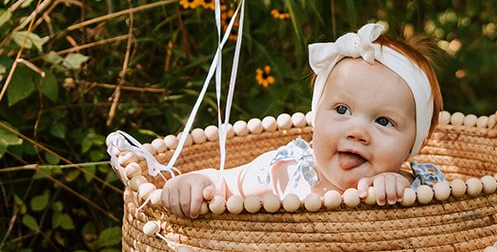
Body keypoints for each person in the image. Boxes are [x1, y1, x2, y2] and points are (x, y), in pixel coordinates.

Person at [159, 21, 445, 217]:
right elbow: (228, 184)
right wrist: (197, 181)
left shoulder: (416, 187)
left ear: (413, 145)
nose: (357, 131)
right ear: (316, 116)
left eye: (383, 121)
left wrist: (404, 188)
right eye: (342, 110)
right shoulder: (290, 169)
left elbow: (450, 220)